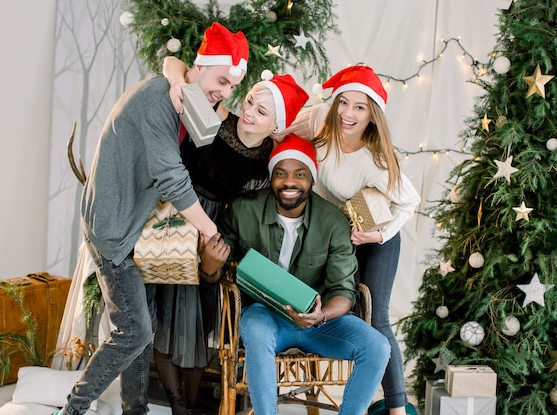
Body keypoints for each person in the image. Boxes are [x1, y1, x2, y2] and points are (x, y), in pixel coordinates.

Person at [55, 22, 248, 415]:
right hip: (112, 229)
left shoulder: (181, 94)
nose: (226, 92)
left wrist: (176, 72)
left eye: (232, 86)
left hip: (132, 225)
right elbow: (172, 178)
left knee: (140, 332)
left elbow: (174, 64)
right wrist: (209, 230)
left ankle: (135, 409)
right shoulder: (159, 100)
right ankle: (71, 410)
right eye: (223, 80)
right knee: (136, 330)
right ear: (202, 66)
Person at [154, 63, 310, 415]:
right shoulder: (218, 116)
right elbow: (172, 63)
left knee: (201, 317)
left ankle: (190, 405)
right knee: (166, 314)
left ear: (276, 124)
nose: (249, 113)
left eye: (262, 110)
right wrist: (179, 81)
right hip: (175, 214)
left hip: (217, 231)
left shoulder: (270, 158)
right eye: (251, 101)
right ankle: (177, 405)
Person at [218, 135, 391, 415]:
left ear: (312, 180)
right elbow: (221, 270)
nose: (289, 182)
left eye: (300, 174)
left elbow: (344, 290)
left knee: (378, 347)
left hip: (319, 322)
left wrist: (320, 316)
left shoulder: (332, 222)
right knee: (256, 329)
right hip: (265, 316)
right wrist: (211, 263)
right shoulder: (243, 210)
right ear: (271, 178)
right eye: (281, 174)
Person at [283, 65, 421, 415]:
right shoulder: (319, 120)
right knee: (345, 310)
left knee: (376, 319)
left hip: (376, 238)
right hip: (340, 235)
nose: (348, 113)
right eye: (344, 102)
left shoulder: (374, 159)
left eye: (360, 107)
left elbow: (410, 201)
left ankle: (397, 408)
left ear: (372, 114)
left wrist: (380, 234)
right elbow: (281, 134)